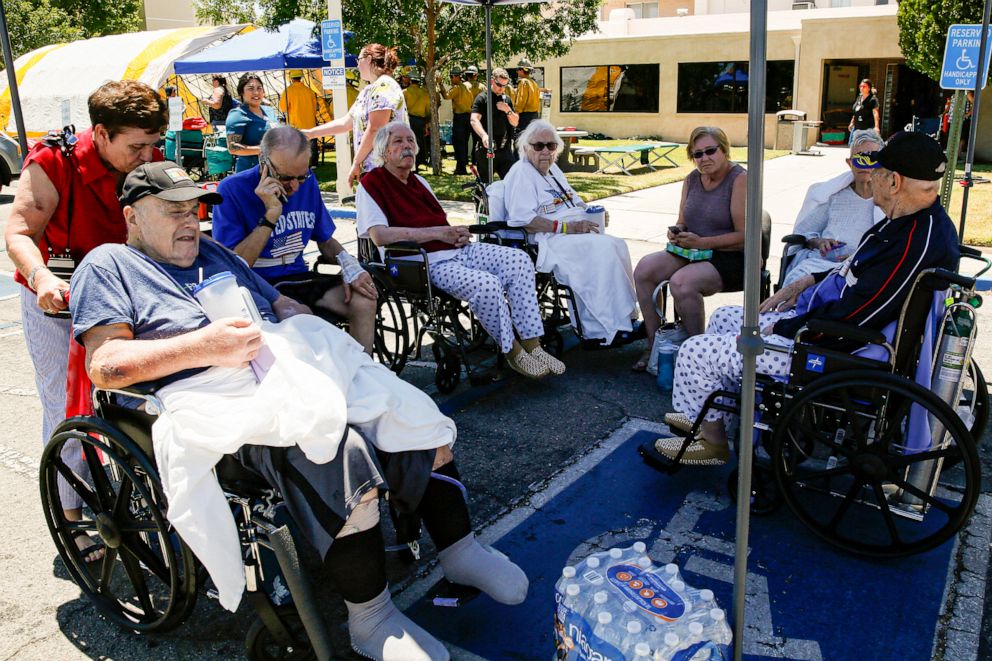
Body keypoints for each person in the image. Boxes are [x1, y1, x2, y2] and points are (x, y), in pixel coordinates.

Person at [69, 160, 530, 660]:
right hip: (213, 393)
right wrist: (205, 347)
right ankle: (371, 618)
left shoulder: (214, 252)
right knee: (339, 446)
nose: (189, 222)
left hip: (283, 364)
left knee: (410, 410)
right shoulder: (109, 265)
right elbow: (107, 365)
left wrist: (293, 313)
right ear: (133, 217)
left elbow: (276, 301)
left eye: (194, 210)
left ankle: (460, 550)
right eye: (173, 211)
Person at [653, 132, 958, 466]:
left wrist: (789, 327)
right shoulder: (908, 223)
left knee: (696, 351)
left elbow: (859, 314)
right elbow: (856, 274)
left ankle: (712, 443)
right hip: (832, 330)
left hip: (831, 350)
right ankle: (711, 414)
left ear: (894, 181)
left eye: (878, 171)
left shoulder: (914, 239)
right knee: (726, 316)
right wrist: (805, 282)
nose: (871, 177)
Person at [3, 79, 166, 564]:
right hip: (59, 298)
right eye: (136, 146)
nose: (147, 155)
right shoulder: (53, 163)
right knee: (67, 406)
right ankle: (71, 518)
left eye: (154, 143)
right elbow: (18, 231)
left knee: (138, 398)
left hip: (123, 295)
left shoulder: (143, 159)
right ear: (100, 134)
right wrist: (40, 279)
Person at [357, 121, 565, 379]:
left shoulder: (419, 181)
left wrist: (455, 232)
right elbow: (379, 236)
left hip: (455, 250)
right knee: (487, 284)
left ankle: (533, 343)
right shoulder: (371, 183)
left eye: (410, 141)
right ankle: (513, 351)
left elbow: (438, 224)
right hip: (423, 262)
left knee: (519, 259)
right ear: (384, 151)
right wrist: (438, 234)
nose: (407, 146)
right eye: (398, 141)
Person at [211, 126, 378, 352]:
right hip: (258, 284)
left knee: (364, 299)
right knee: (299, 316)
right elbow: (235, 264)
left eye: (302, 176)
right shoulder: (232, 190)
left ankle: (363, 373)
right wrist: (270, 216)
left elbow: (325, 239)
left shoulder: (308, 183)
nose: (295, 186)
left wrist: (350, 267)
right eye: (286, 177)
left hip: (298, 276)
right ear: (263, 162)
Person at [500, 120, 638, 345]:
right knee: (601, 249)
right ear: (526, 148)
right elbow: (523, 220)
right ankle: (599, 330)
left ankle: (623, 319)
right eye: (538, 146)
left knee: (617, 245)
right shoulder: (521, 173)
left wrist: (594, 214)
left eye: (551, 146)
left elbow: (575, 201)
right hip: (548, 239)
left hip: (571, 232)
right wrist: (567, 227)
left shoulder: (553, 170)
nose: (545, 151)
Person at [631, 126, 746, 371]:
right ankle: (655, 345)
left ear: (724, 150)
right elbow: (683, 218)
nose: (704, 158)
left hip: (730, 255)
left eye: (710, 151)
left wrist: (703, 242)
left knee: (682, 282)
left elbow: (745, 237)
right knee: (644, 269)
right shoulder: (692, 179)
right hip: (692, 250)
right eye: (697, 154)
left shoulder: (739, 179)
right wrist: (677, 231)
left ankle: (697, 355)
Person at [781, 131, 884, 286]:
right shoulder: (833, 196)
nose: (866, 165)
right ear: (849, 163)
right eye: (860, 158)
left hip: (863, 270)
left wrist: (857, 259)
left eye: (872, 158)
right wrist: (819, 242)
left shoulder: (889, 202)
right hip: (821, 264)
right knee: (799, 281)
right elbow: (805, 233)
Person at [304, 43, 408, 187]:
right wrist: (310, 133)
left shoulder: (384, 87)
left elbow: (375, 128)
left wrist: (357, 161)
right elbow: (346, 123)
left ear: (369, 59)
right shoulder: (368, 90)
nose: (357, 65)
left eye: (358, 59)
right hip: (374, 171)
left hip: (386, 172)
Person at [471, 67, 519, 183]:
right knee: (485, 185)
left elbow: (515, 122)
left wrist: (507, 110)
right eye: (499, 85)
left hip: (504, 150)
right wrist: (484, 135)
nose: (502, 88)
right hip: (486, 150)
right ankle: (482, 201)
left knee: (512, 183)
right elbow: (474, 120)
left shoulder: (506, 100)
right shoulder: (482, 98)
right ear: (492, 81)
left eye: (505, 86)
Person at [226, 72, 277, 173]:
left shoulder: (269, 111)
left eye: (259, 88)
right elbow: (233, 148)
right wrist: (263, 150)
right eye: (251, 88)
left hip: (275, 170)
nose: (256, 92)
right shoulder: (238, 114)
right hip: (251, 173)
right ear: (242, 92)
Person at [278, 70, 324, 166]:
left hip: (295, 124)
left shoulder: (288, 91)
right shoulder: (309, 91)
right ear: (301, 77)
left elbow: (283, 108)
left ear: (291, 78)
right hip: (310, 123)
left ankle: (298, 164)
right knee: (312, 145)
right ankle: (313, 163)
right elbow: (315, 108)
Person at [439, 66, 473, 175]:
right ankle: (462, 166)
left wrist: (440, 85)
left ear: (456, 76)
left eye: (451, 76)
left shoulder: (457, 88)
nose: (451, 79)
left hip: (460, 118)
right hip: (468, 117)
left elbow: (446, 96)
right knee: (464, 144)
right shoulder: (468, 87)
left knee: (458, 144)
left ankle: (461, 168)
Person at [404, 71, 431, 170]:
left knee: (408, 142)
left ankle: (411, 163)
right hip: (421, 120)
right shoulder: (425, 93)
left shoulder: (405, 92)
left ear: (410, 80)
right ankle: (418, 162)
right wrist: (427, 123)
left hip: (409, 120)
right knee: (419, 142)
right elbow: (428, 110)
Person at [512, 59, 542, 136]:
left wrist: (516, 113)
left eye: (518, 69)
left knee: (520, 140)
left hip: (525, 117)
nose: (517, 72)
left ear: (522, 70)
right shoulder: (534, 83)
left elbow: (521, 99)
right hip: (535, 115)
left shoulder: (523, 82)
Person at [849, 78, 879, 142]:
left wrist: (876, 127)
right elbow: (856, 111)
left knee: (863, 149)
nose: (861, 88)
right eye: (860, 86)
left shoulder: (873, 99)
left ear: (869, 88)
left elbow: (875, 113)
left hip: (867, 128)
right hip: (856, 127)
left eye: (864, 86)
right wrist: (852, 122)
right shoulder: (859, 97)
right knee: (854, 148)